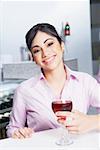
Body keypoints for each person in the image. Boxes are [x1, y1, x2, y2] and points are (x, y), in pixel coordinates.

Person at [6, 23, 100, 139]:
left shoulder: (85, 81)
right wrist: (18, 133)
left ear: (62, 45)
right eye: (37, 50)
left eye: (49, 44)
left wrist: (92, 121)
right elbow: (13, 128)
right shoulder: (24, 90)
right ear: (33, 58)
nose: (45, 53)